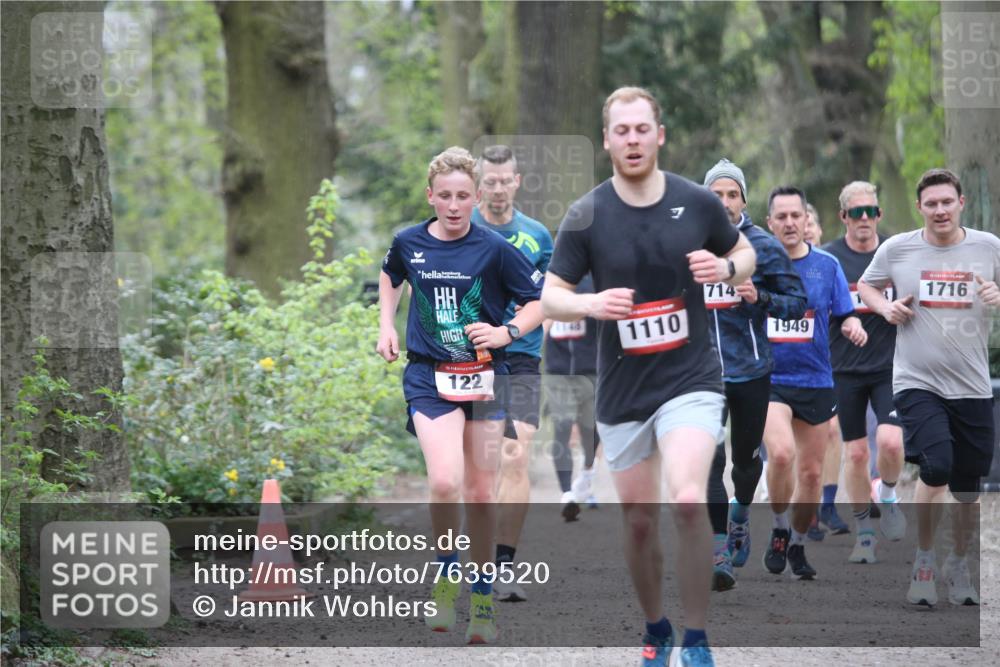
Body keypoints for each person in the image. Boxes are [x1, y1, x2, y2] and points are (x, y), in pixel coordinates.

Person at [542, 86, 756, 667]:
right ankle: (657, 627)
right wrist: (590, 306)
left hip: (691, 377)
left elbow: (745, 255)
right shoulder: (586, 214)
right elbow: (551, 296)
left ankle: (696, 639)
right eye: (621, 130)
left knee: (687, 499)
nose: (632, 139)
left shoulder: (696, 202)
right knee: (638, 521)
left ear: (659, 134)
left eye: (642, 129)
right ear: (607, 139)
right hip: (623, 387)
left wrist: (727, 267)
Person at [377, 146, 544, 643]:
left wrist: (507, 332)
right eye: (444, 196)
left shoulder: (494, 247)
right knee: (446, 482)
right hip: (429, 378)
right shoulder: (408, 242)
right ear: (430, 196)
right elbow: (390, 277)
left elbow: (538, 300)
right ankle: (447, 577)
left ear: (475, 199)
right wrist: (386, 324)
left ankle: (484, 595)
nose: (453, 206)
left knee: (478, 490)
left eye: (462, 197)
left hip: (486, 377)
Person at [859, 167, 999, 607]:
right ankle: (923, 560)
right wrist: (885, 308)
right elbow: (866, 285)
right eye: (931, 203)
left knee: (966, 486)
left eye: (947, 202)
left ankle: (957, 562)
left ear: (961, 203)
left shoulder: (988, 247)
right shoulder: (898, 249)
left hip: (972, 384)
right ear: (919, 207)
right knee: (936, 466)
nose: (939, 210)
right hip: (917, 381)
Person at [702, 159, 807, 591]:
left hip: (750, 371)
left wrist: (759, 295)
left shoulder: (762, 246)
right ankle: (719, 549)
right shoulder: (687, 243)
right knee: (709, 462)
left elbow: (796, 303)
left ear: (743, 199)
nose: (725, 201)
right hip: (701, 373)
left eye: (732, 194)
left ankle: (740, 515)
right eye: (716, 194)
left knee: (745, 463)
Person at [760, 186, 867, 581]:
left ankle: (799, 543)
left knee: (810, 474)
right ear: (769, 223)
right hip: (770, 379)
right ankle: (778, 527)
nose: (790, 223)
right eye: (781, 217)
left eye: (796, 216)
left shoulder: (827, 266)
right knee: (782, 454)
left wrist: (854, 325)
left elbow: (845, 313)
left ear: (807, 221)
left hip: (817, 381)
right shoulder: (756, 264)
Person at [471, 144, 554, 602]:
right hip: (468, 359)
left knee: (514, 456)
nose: (498, 189)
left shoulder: (538, 236)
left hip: (521, 355)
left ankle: (503, 567)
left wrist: (513, 329)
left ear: (517, 182)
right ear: (479, 182)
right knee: (478, 466)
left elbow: (548, 300)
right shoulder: (460, 228)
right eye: (490, 181)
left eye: (506, 180)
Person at [822, 181, 907, 564]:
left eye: (870, 211)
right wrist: (840, 323)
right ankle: (864, 533)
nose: (864, 219)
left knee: (890, 443)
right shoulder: (829, 260)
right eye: (856, 212)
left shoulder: (895, 254)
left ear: (879, 215)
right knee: (855, 454)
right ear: (843, 217)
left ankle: (887, 494)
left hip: (890, 367)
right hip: (844, 370)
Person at [543, 273, 601, 521]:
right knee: (563, 426)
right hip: (558, 371)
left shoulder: (594, 281)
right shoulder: (546, 285)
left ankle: (587, 474)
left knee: (591, 432)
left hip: (592, 370)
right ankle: (566, 493)